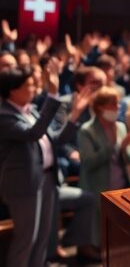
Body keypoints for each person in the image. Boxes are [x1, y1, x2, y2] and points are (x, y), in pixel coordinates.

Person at [0, 63, 92, 267]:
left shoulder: (30, 110)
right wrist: (52, 95)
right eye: (29, 85)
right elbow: (33, 134)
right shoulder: (4, 114)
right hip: (24, 186)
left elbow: (55, 140)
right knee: (26, 240)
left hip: (46, 180)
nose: (34, 89)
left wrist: (74, 116)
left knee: (42, 239)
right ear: (13, 90)